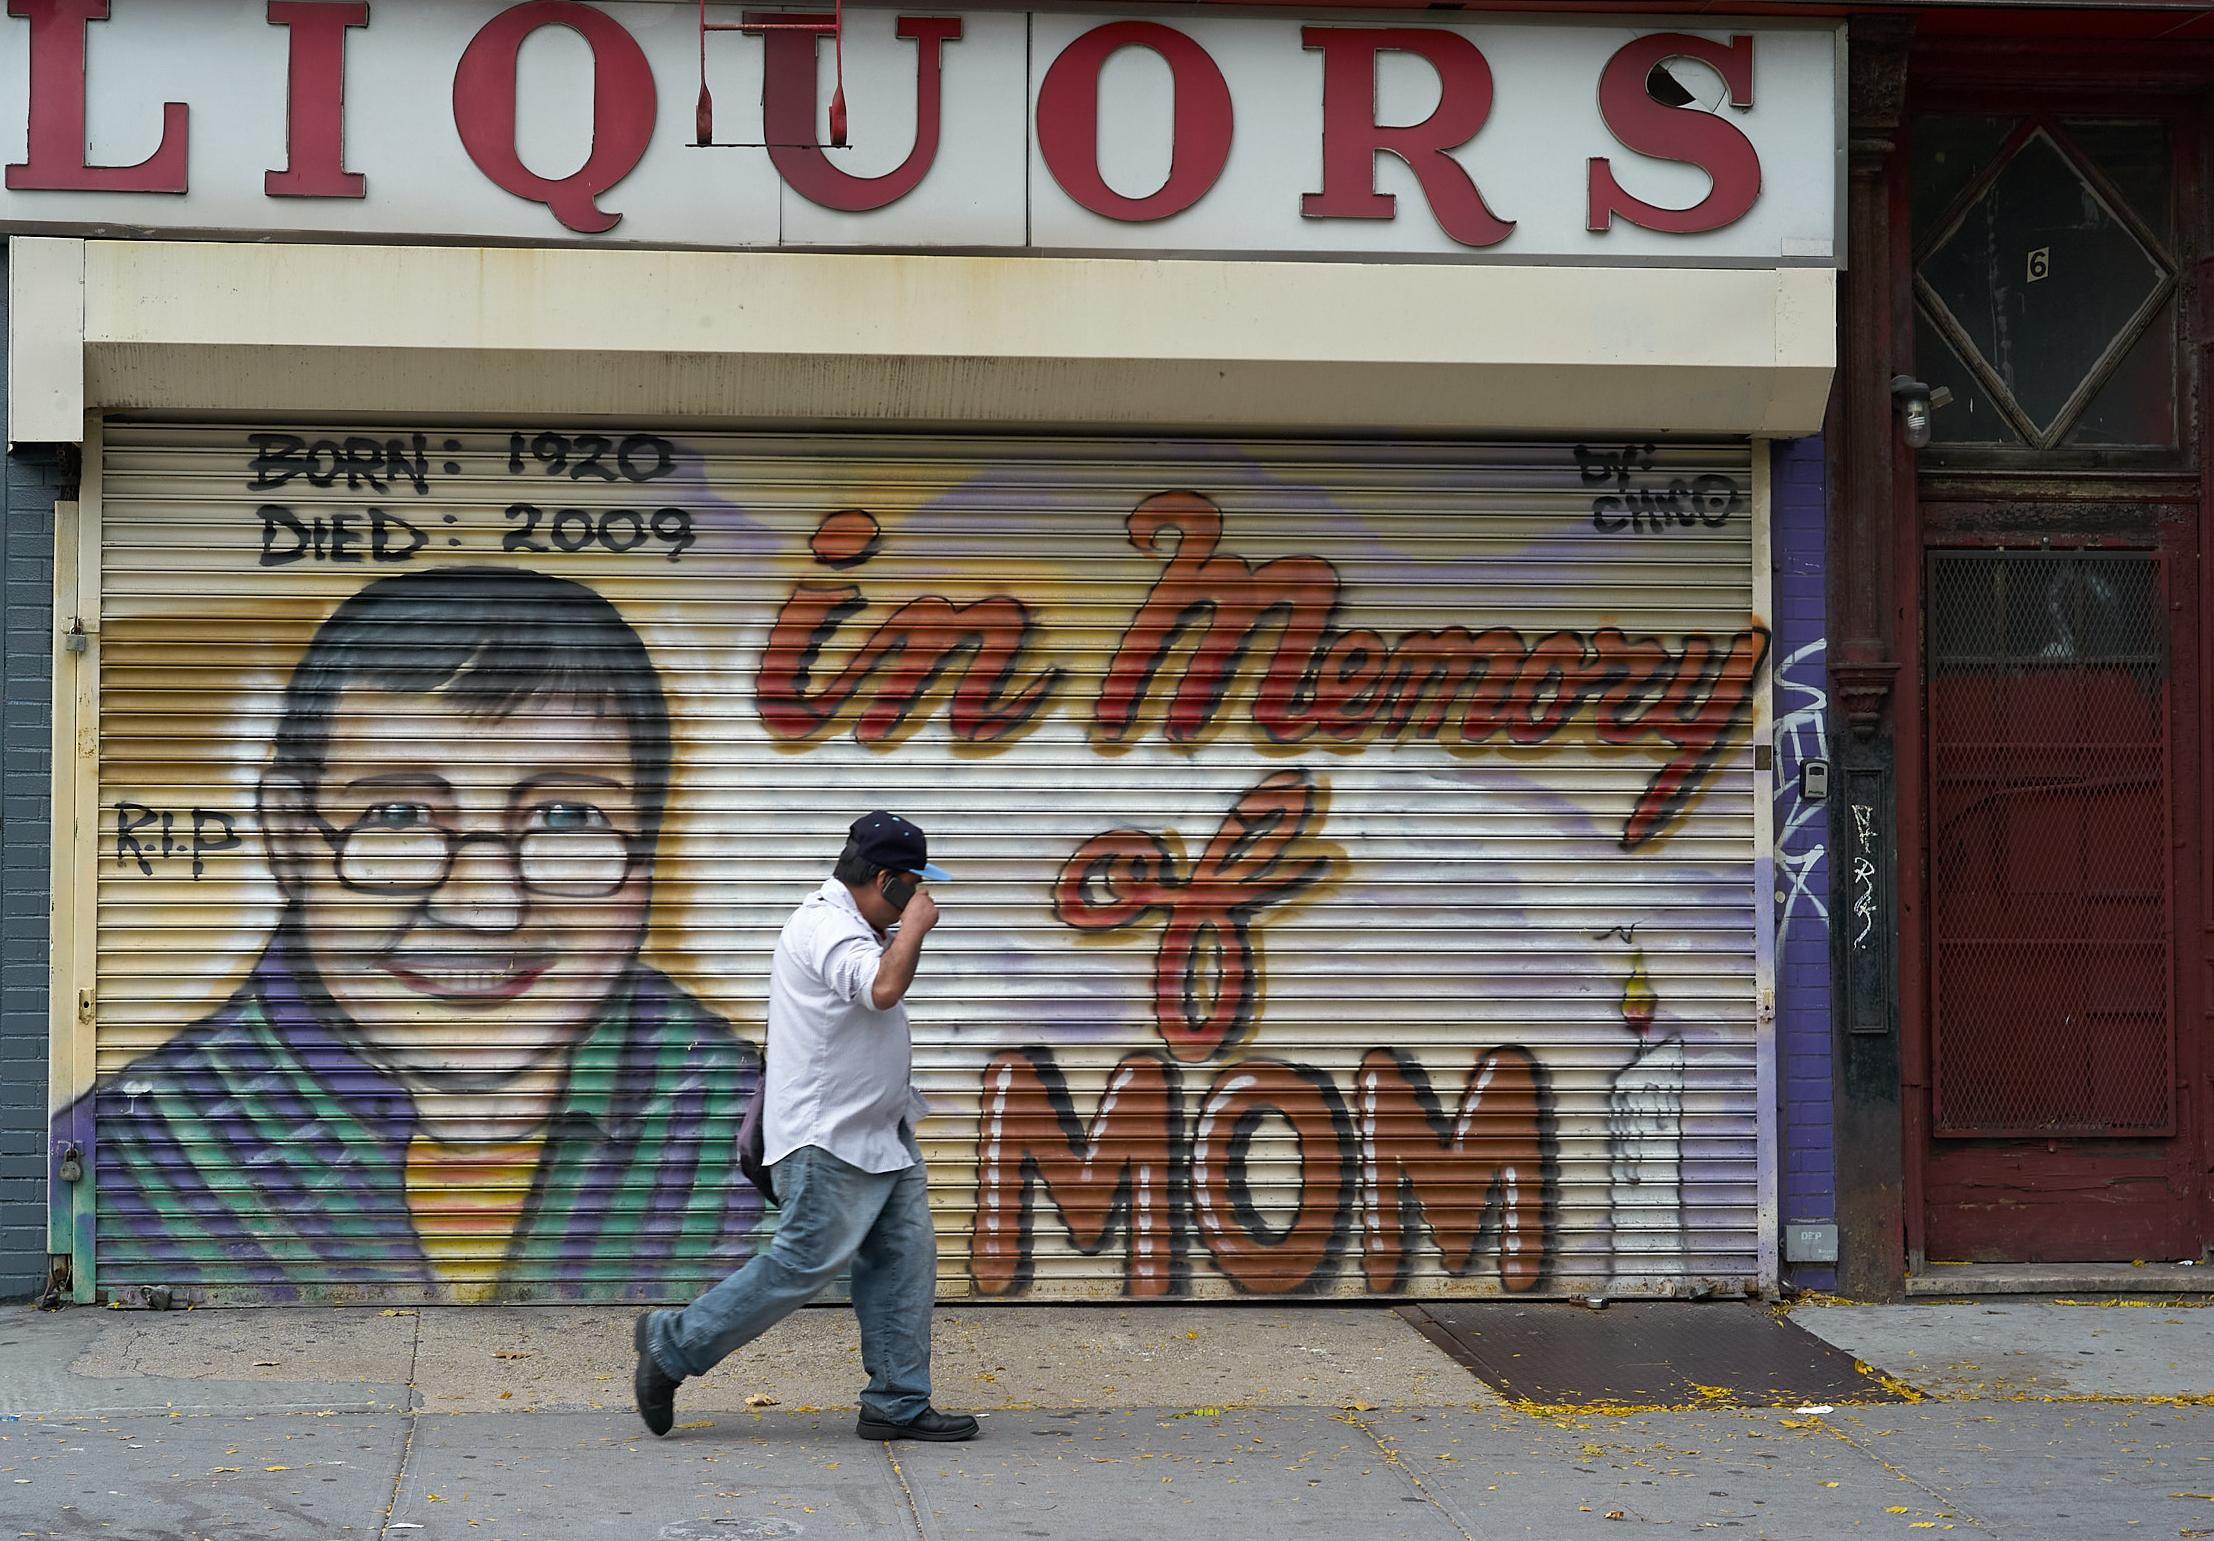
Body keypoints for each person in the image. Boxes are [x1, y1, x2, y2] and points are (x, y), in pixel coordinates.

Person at [62, 567, 763, 1300]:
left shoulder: (747, 1119)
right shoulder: (136, 1154)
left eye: (565, 816)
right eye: (398, 813)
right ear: (290, 837)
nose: (486, 908)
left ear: (645, 851)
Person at [633, 812, 978, 1443]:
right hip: (827, 1140)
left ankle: (896, 1402)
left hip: (880, 1134)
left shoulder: (856, 929)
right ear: (887, 880)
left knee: (904, 1261)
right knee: (801, 1264)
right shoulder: (825, 925)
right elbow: (881, 989)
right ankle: (672, 1345)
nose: (922, 898)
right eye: (913, 885)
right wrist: (918, 929)